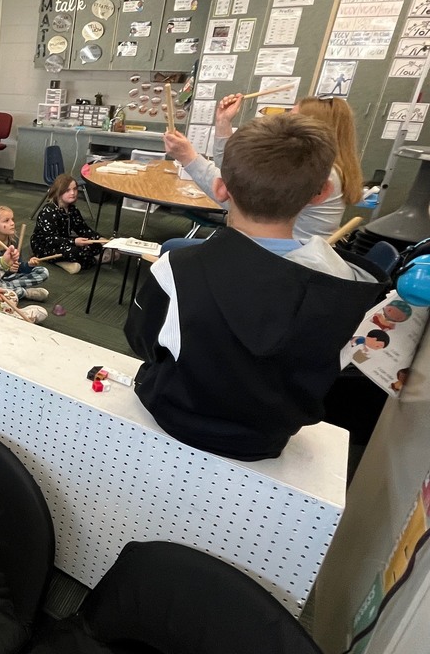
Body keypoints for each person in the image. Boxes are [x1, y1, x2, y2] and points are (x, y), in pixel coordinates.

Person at [125, 113, 388, 462]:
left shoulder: (176, 267)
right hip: (269, 438)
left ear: (221, 189)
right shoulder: (350, 286)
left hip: (176, 416)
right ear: (321, 192)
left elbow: (142, 340)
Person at [165, 93, 364, 240]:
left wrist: (189, 158)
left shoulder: (321, 173)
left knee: (175, 251)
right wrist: (223, 123)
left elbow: (244, 196)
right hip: (290, 253)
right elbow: (236, 172)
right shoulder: (327, 167)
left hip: (282, 259)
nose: (284, 122)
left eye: (291, 118)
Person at [30, 174, 105, 274]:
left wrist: (98, 238)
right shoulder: (48, 212)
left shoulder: (72, 209)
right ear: (59, 191)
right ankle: (64, 262)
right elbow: (50, 239)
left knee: (96, 246)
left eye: (75, 189)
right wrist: (74, 242)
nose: (73, 193)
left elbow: (83, 229)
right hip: (45, 246)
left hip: (64, 241)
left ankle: (71, 262)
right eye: (67, 190)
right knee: (77, 252)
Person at [0, 205, 49, 301]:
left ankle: (11, 291)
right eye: (6, 221)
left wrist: (29, 264)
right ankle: (24, 292)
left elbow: (18, 267)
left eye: (12, 219)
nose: (12, 223)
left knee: (43, 272)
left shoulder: (14, 240)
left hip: (11, 278)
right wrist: (7, 269)